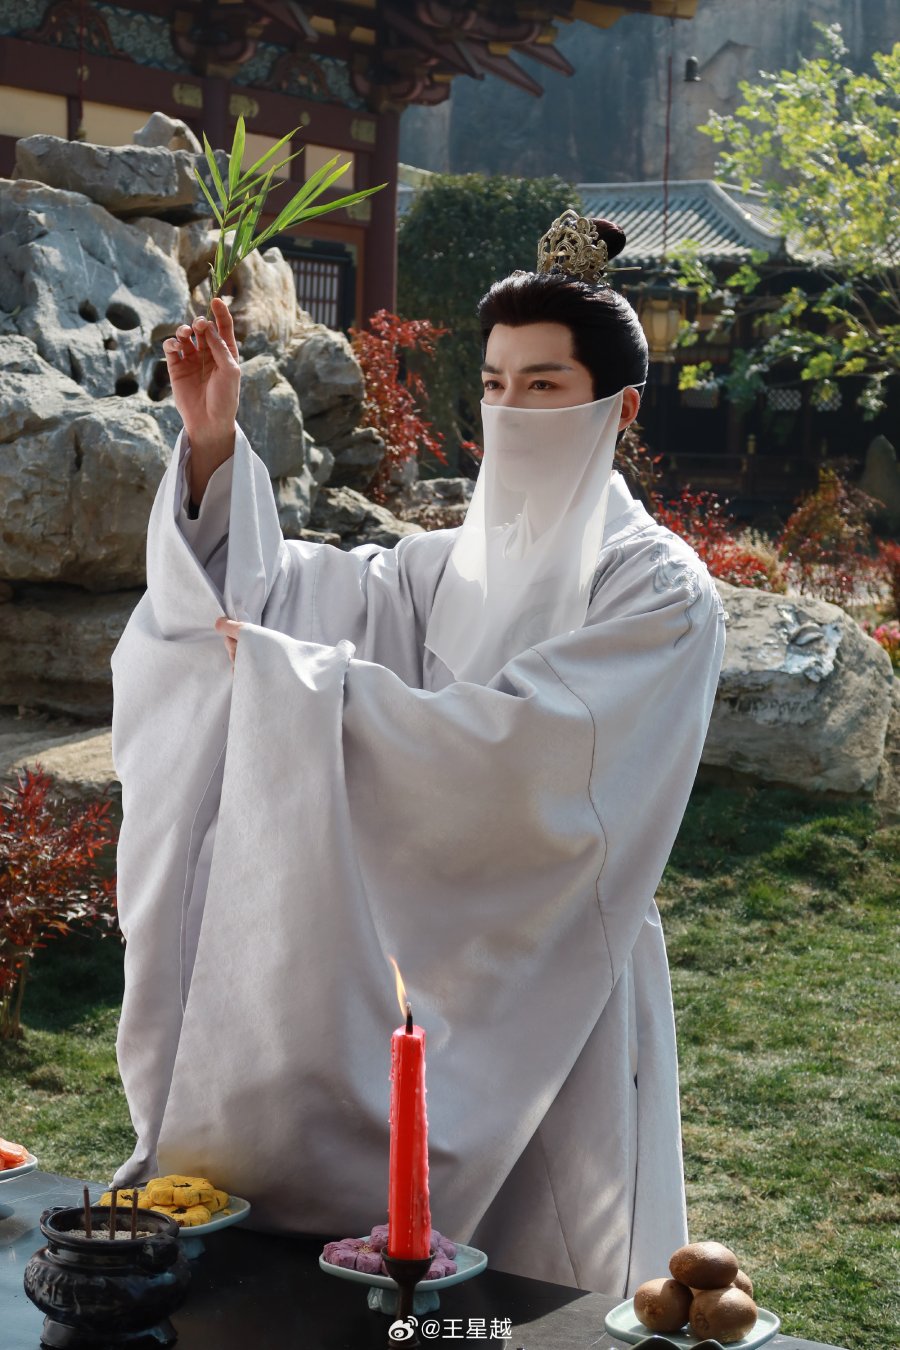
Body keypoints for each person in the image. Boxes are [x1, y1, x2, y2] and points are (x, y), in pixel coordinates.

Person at [110, 211, 725, 1296]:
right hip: (410, 954)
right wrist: (212, 443)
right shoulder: (441, 568)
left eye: (544, 385)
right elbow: (284, 602)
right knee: (381, 1287)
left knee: (543, 1286)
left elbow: (538, 757)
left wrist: (304, 688)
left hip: (558, 957)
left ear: (619, 408)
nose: (510, 408)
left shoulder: (658, 588)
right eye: (493, 384)